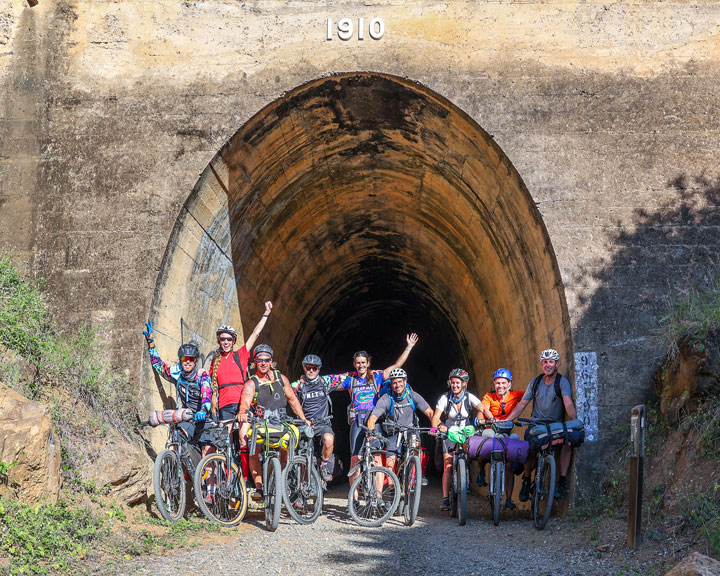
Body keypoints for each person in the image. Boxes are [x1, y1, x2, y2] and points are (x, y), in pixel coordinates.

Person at [338, 334, 419, 499]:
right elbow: (329, 383)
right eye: (357, 362)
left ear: (368, 363)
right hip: (357, 421)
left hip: (374, 419)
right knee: (355, 459)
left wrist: (409, 347)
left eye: (363, 362)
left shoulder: (377, 376)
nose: (360, 365)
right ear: (354, 364)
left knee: (376, 458)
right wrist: (307, 380)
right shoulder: (350, 380)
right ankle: (354, 498)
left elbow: (397, 365)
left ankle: (379, 496)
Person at [504, 348, 577, 501]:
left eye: (551, 362)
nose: (547, 365)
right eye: (545, 362)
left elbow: (568, 403)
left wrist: (575, 419)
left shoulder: (561, 382)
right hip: (536, 424)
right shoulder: (535, 382)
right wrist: (507, 420)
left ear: (557, 364)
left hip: (554, 426)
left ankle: (561, 482)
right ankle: (526, 479)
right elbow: (522, 404)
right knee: (530, 448)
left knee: (567, 444)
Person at [238, 344, 310, 496]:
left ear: (271, 361)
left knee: (288, 447)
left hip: (281, 420)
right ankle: (259, 488)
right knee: (253, 450)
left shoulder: (281, 378)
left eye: (266, 360)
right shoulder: (252, 383)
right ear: (255, 362)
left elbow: (292, 400)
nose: (263, 363)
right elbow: (245, 400)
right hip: (261, 421)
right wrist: (243, 412)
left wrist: (303, 419)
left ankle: (281, 480)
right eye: (260, 360)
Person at [143, 321, 212, 455]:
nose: (187, 361)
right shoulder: (177, 373)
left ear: (196, 361)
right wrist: (151, 342)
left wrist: (203, 410)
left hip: (205, 417)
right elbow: (159, 366)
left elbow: (206, 394)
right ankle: (181, 469)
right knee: (178, 435)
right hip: (187, 417)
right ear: (180, 360)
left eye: (191, 359)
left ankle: (208, 475)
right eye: (184, 358)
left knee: (207, 452)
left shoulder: (201, 376)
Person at [209, 301, 273, 425]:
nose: (226, 342)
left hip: (243, 403)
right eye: (223, 339)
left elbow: (255, 334)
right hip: (224, 404)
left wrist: (266, 313)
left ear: (233, 341)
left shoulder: (240, 354)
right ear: (219, 341)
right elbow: (209, 380)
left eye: (229, 339)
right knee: (226, 441)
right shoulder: (216, 360)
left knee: (244, 440)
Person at [430, 368, 483, 511]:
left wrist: (483, 417)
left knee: (471, 454)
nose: (455, 386)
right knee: (448, 466)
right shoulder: (444, 398)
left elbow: (483, 408)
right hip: (449, 432)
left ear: (464, 384)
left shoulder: (469, 397)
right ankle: (446, 498)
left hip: (465, 431)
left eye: (458, 383)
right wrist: (436, 428)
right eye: (453, 383)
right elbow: (436, 417)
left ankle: (465, 475)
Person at [290, 354, 347, 482]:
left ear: (319, 369)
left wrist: (368, 372)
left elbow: (346, 376)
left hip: (322, 424)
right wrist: (304, 419)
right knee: (302, 456)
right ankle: (301, 487)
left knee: (329, 439)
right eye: (308, 368)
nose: (311, 371)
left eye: (314, 368)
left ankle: (324, 465)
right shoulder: (297, 385)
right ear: (304, 368)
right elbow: (288, 397)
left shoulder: (325, 381)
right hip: (305, 424)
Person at [365, 368, 433, 472]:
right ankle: (394, 487)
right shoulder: (386, 398)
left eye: (400, 381)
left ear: (405, 381)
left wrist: (437, 426)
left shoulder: (412, 395)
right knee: (390, 465)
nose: (398, 385)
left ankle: (414, 478)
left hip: (411, 430)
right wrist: (371, 431)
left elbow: (430, 413)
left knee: (415, 448)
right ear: (391, 385)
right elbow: (372, 418)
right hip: (393, 432)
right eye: (394, 383)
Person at [477, 368, 525, 510]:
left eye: (504, 383)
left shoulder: (516, 395)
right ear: (494, 383)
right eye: (498, 383)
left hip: (506, 433)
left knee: (509, 464)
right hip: (491, 430)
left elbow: (529, 397)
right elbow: (483, 409)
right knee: (481, 445)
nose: (500, 386)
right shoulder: (489, 396)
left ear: (509, 383)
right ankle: (481, 471)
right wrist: (483, 419)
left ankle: (508, 499)